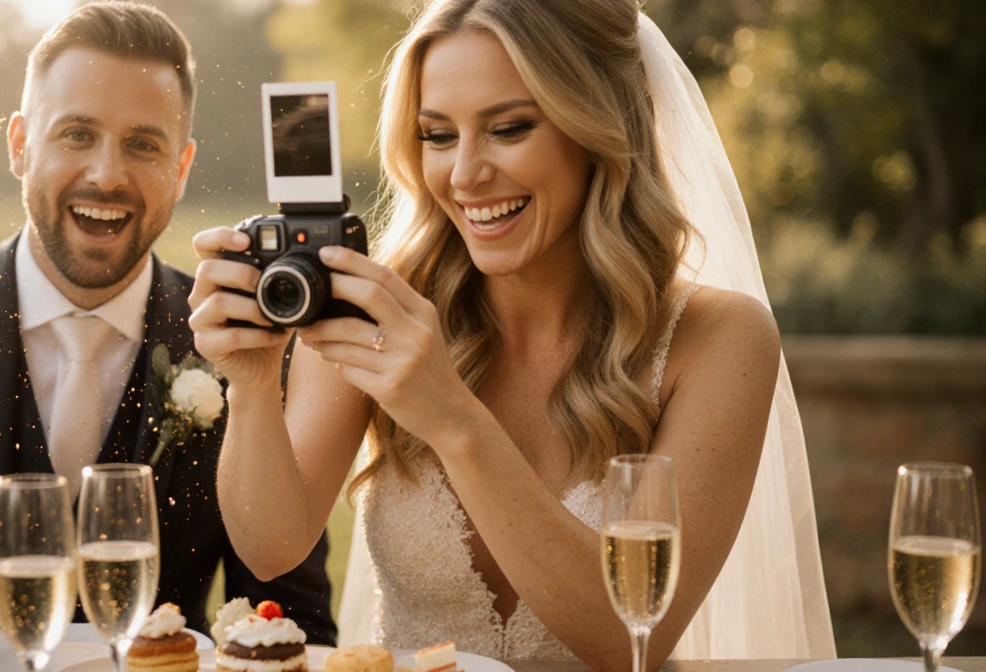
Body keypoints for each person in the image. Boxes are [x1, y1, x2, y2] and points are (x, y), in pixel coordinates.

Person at [191, 0, 835, 666]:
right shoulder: (376, 304)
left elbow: (630, 639)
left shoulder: (720, 340)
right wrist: (253, 384)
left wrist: (454, 420)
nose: (465, 174)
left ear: (600, 126)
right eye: (438, 135)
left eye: (509, 128)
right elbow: (271, 547)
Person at [0, 2, 335, 650]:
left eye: (143, 144)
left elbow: (292, 627)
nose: (107, 174)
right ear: (20, 144)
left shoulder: (249, 350)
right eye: (76, 134)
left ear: (180, 170)